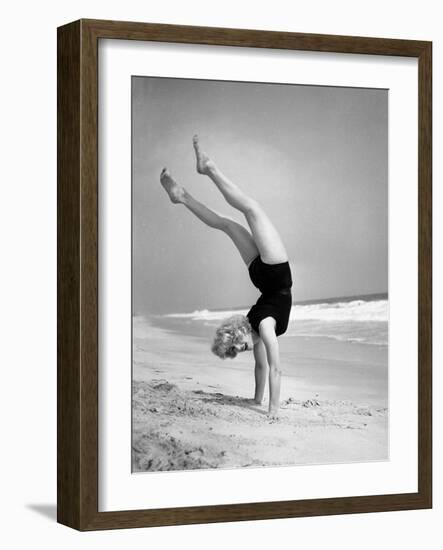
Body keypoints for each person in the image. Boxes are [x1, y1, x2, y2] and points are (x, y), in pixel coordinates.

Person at [160, 136, 292, 418]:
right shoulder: (258, 331)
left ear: (240, 331)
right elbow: (263, 367)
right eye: (240, 349)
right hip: (263, 275)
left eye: (239, 344)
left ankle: (209, 168)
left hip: (273, 270)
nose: (244, 348)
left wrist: (274, 411)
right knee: (227, 224)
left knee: (251, 210)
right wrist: (258, 401)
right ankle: (182, 196)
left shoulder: (263, 328)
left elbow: (275, 368)